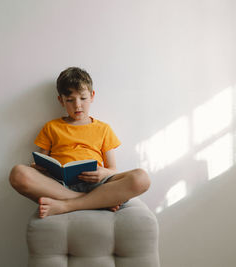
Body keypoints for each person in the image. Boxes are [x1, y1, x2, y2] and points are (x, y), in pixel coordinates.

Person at [9, 67, 150, 218]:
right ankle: (94, 202)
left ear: (92, 96)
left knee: (141, 178)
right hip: (59, 185)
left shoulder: (103, 129)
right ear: (61, 100)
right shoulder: (51, 127)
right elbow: (42, 162)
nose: (77, 105)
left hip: (97, 184)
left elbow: (113, 169)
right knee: (18, 173)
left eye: (82, 98)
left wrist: (104, 173)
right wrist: (39, 168)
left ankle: (67, 205)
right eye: (70, 100)